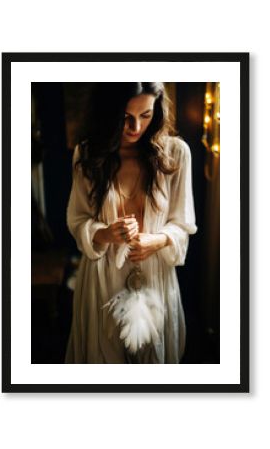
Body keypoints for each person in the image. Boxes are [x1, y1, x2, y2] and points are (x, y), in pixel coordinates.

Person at [64, 82, 197, 364]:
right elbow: (77, 220)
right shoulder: (87, 154)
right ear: (107, 112)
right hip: (101, 280)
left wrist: (158, 240)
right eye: (125, 117)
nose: (135, 127)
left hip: (156, 277)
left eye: (145, 115)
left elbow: (183, 223)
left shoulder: (176, 154)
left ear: (157, 111)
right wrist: (106, 233)